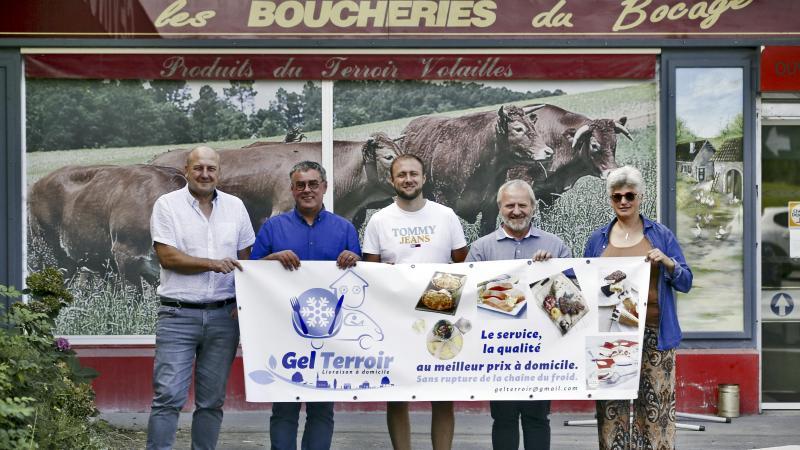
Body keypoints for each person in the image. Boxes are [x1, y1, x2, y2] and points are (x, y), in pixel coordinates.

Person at [147, 146, 255, 450]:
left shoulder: (236, 207)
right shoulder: (167, 205)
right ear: (186, 170)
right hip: (178, 316)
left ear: (219, 172)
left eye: (211, 168)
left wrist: (243, 301)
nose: (205, 174)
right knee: (168, 397)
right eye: (198, 168)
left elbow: (247, 260)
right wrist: (213, 263)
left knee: (211, 401)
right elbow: (167, 257)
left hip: (224, 318)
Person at [250, 161, 361, 450]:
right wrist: (271, 260)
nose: (307, 190)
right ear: (292, 190)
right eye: (300, 185)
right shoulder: (273, 228)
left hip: (330, 334)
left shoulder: (345, 229)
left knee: (322, 409)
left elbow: (362, 280)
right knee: (285, 408)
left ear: (324, 187)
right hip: (285, 331)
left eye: (313, 184)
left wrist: (355, 260)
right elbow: (251, 272)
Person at [362, 154, 468, 450]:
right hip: (396, 318)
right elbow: (372, 271)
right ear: (391, 180)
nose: (407, 179)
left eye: (413, 174)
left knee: (442, 395)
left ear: (423, 178)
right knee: (397, 395)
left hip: (440, 313)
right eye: (401, 175)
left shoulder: (445, 215)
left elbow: (463, 264)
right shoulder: (379, 220)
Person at [583, 165, 692, 450]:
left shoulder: (660, 235)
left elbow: (686, 281)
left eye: (630, 195)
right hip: (610, 335)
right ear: (610, 199)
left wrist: (668, 262)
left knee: (656, 407)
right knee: (611, 408)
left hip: (655, 333)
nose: (623, 201)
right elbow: (584, 284)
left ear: (640, 196)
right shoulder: (597, 240)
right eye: (617, 196)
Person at [466, 179, 571, 450]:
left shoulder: (555, 246)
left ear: (534, 207)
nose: (516, 211)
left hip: (540, 350)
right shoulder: (481, 249)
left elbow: (572, 301)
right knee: (503, 418)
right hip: (499, 352)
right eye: (509, 205)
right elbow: (468, 298)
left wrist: (550, 272)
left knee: (537, 418)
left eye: (522, 205)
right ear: (499, 208)